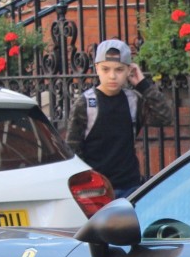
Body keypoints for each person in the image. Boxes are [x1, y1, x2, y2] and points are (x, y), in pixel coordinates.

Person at [65, 38, 173, 199]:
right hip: (97, 191)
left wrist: (142, 84)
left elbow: (165, 117)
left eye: (119, 70)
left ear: (129, 70)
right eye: (106, 69)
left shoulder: (133, 101)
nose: (112, 76)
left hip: (130, 186)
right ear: (97, 68)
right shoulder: (86, 103)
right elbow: (72, 148)